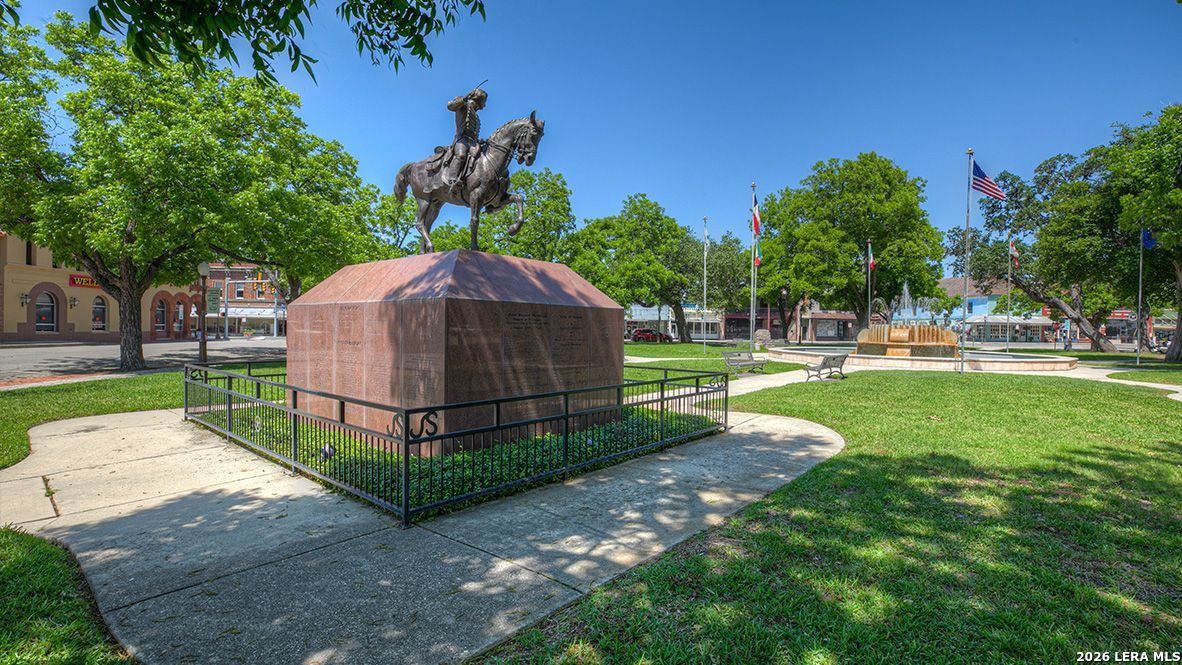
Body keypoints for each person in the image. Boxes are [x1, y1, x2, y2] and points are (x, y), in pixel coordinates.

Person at [443, 87, 487, 187]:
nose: (484, 106)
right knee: (461, 155)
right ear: (477, 100)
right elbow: (450, 106)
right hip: (461, 139)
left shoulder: (476, 116)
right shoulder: (463, 105)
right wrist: (464, 99)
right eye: (483, 102)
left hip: (473, 142)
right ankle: (452, 179)